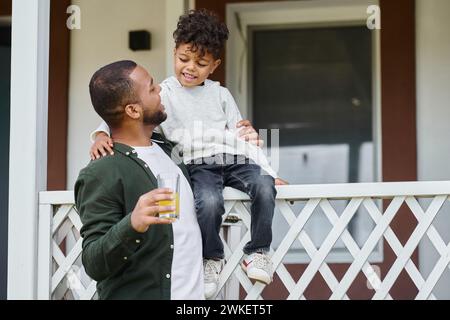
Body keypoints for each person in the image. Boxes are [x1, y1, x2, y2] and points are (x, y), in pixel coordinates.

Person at [90, 9, 288, 299]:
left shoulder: (220, 94)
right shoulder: (165, 93)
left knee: (263, 186)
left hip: (232, 158)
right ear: (175, 52)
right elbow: (118, 113)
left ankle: (258, 250)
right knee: (207, 201)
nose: (191, 68)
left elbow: (242, 137)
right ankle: (212, 257)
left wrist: (268, 172)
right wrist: (99, 135)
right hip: (197, 163)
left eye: (202, 63)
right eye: (184, 59)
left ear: (214, 65)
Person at [75, 60, 205, 300]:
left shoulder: (170, 150)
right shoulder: (101, 171)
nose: (161, 91)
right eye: (152, 88)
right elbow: (93, 263)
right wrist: (132, 224)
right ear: (133, 110)